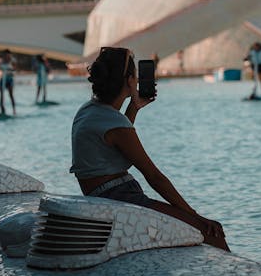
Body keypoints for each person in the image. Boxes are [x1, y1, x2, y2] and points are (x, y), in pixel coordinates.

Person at [70, 46, 229, 250]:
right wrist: (194, 215)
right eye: (135, 75)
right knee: (211, 234)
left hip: (104, 196)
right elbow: (154, 177)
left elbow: (112, 141)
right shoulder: (115, 124)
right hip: (120, 198)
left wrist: (134, 107)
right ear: (129, 81)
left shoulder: (88, 110)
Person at [0, 49, 16, 115]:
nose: (6, 56)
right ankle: (2, 110)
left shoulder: (12, 61)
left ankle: (14, 110)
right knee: (1, 95)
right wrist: (0, 73)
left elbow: (14, 71)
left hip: (9, 79)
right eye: (5, 54)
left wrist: (10, 71)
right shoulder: (0, 60)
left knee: (11, 95)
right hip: (2, 79)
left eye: (7, 54)